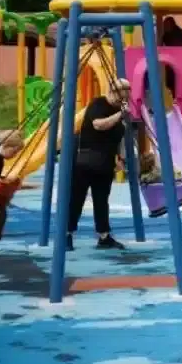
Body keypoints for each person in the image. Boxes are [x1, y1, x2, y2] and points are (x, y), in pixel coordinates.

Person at [68, 79, 131, 250]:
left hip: (105, 162)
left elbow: (118, 137)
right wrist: (120, 115)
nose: (123, 100)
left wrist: (120, 158)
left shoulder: (120, 110)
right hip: (85, 162)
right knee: (76, 199)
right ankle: (67, 233)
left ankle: (104, 236)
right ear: (113, 92)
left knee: (102, 201)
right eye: (122, 97)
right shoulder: (98, 104)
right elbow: (99, 125)